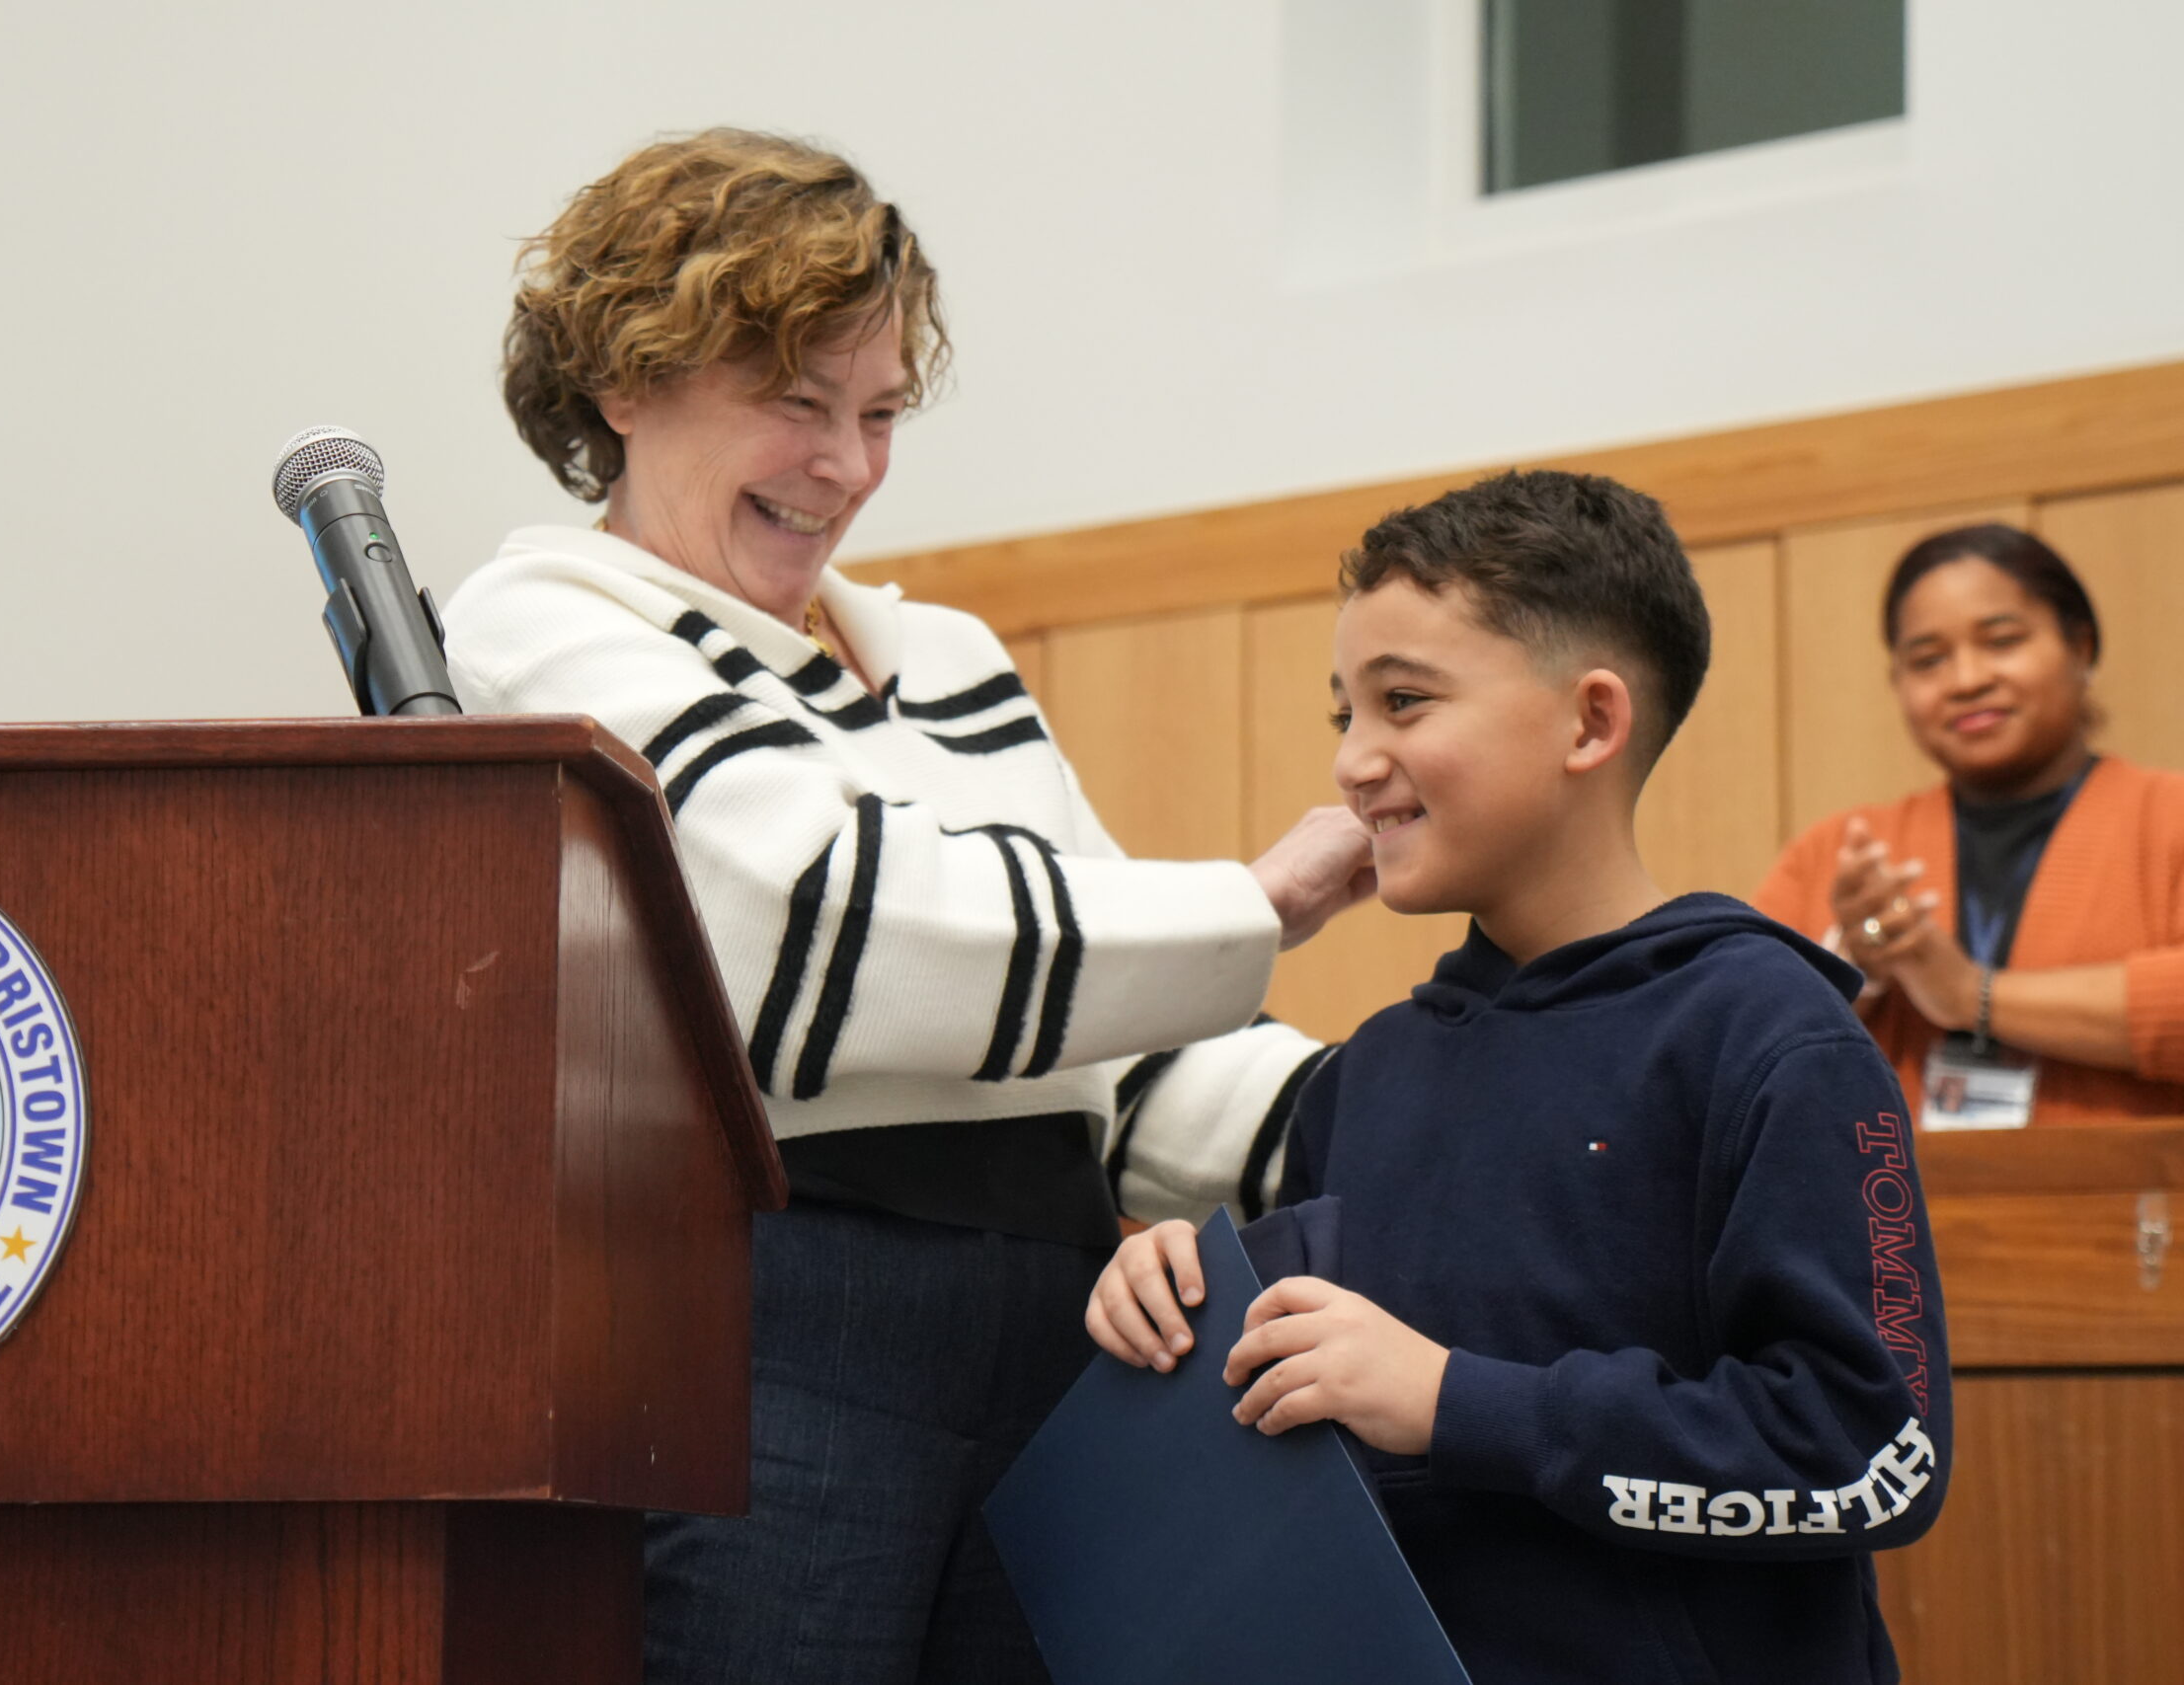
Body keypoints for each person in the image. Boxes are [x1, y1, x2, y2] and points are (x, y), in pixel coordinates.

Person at [442, 129, 1372, 1685]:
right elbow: (822, 938)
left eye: (877, 413)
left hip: (1073, 1331)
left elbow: (1117, 1051)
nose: (847, 466)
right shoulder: (534, 626)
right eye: (794, 402)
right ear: (622, 379)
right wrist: (1258, 902)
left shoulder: (948, 656)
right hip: (780, 1325)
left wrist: (1423, 1108)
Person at [1086, 472, 1950, 1685]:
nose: (1352, 761)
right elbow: (1318, 1377)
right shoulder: (1372, 1073)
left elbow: (1871, 1457)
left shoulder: (1770, 1036)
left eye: (1402, 702)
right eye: (1344, 713)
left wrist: (1461, 1406)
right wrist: (1181, 1285)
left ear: (1589, 725)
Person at [1755, 524, 2184, 1128]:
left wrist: (1972, 996)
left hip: (2133, 1217)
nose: (1966, 680)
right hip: (1890, 1220)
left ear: (2080, 647)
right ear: (1898, 683)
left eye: (2002, 641)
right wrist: (1854, 967)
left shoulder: (2169, 818)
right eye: (1928, 660)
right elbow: (1737, 1050)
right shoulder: (1840, 853)